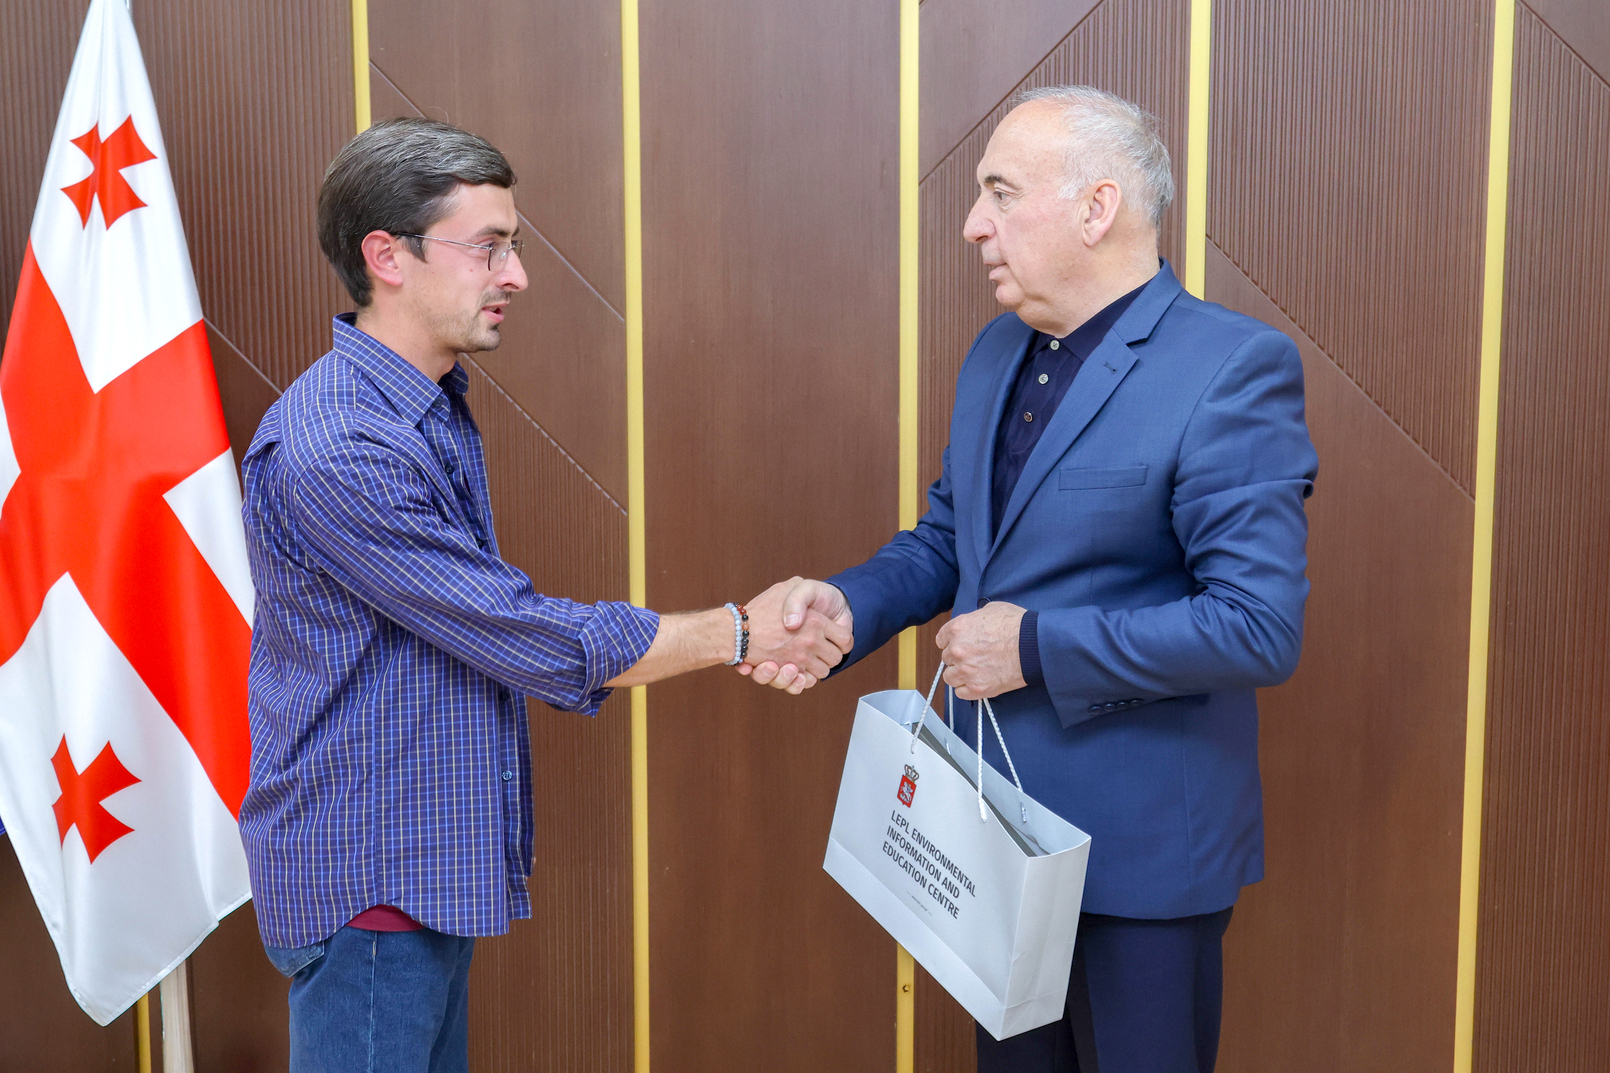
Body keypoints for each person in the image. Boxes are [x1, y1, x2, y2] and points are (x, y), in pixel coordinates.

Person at [238, 118, 847, 1073]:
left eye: (513, 246)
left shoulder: (421, 405)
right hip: (371, 889)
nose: (516, 275)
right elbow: (522, 635)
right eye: (488, 247)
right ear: (386, 257)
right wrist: (738, 630)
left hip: (411, 880)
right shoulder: (342, 445)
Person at [750, 86, 1318, 1073]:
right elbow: (951, 538)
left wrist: (1033, 646)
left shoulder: (1229, 367)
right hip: (994, 845)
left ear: (1097, 208)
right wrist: (850, 606)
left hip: (1143, 862)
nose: (974, 224)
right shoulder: (995, 350)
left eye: (1001, 193)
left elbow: (1254, 625)